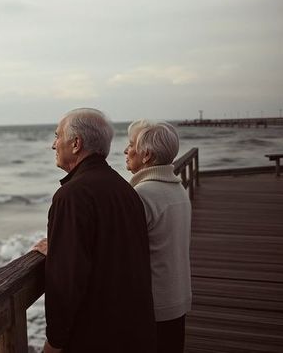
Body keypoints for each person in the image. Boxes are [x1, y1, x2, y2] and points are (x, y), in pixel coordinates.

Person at [33, 108, 157, 353]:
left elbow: (67, 279)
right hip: (134, 329)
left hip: (94, 336)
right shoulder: (124, 189)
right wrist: (59, 249)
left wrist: (54, 341)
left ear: (76, 143)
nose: (53, 144)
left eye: (58, 136)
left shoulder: (72, 195)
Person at [124, 120, 192, 353]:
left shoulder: (143, 194)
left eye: (131, 145)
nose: (125, 150)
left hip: (153, 305)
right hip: (176, 297)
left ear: (146, 155)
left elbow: (118, 248)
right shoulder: (177, 188)